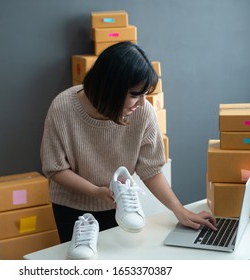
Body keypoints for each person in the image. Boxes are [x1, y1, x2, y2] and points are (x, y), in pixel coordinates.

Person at [40, 41, 217, 243]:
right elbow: (55, 168)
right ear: (109, 88)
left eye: (145, 94)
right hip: (71, 208)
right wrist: (96, 192)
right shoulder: (62, 108)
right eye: (135, 95)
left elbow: (150, 170)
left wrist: (179, 210)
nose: (142, 102)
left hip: (120, 207)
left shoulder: (143, 113)